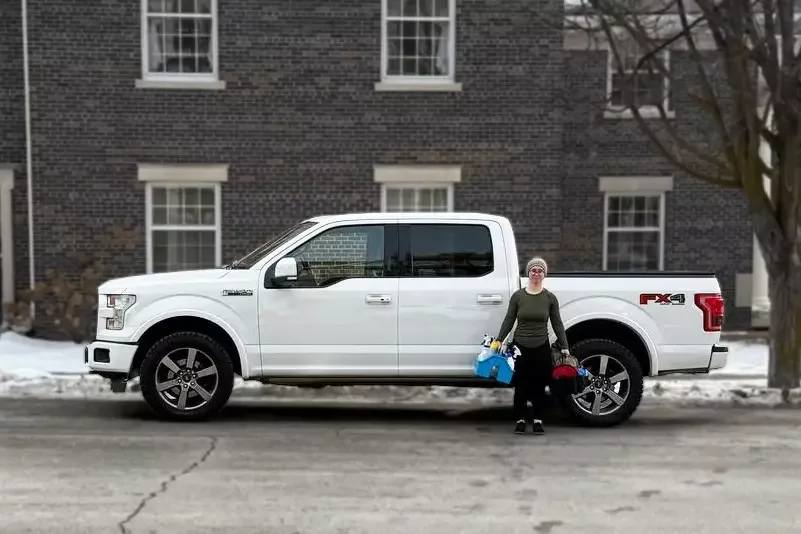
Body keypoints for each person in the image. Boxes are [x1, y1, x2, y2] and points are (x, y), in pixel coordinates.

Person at [495, 256, 569, 435]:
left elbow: (557, 323)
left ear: (544, 274)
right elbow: (509, 319)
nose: (536, 273)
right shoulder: (518, 296)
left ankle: (537, 420)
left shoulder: (550, 298)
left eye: (540, 270)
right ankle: (520, 420)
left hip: (541, 347)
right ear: (528, 273)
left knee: (538, 386)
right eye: (533, 270)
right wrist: (499, 340)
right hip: (520, 346)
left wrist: (565, 345)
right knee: (521, 385)